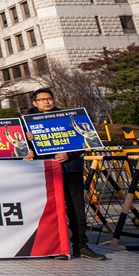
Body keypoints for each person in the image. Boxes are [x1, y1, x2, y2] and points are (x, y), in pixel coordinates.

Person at [27, 88, 105, 260]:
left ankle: (81, 245)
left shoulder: (67, 118)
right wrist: (28, 144)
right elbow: (22, 150)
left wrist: (68, 155)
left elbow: (83, 142)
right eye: (42, 99)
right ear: (35, 103)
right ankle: (57, 247)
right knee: (51, 210)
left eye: (49, 98)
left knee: (76, 208)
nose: (46, 102)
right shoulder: (27, 123)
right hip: (45, 171)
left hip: (70, 168)